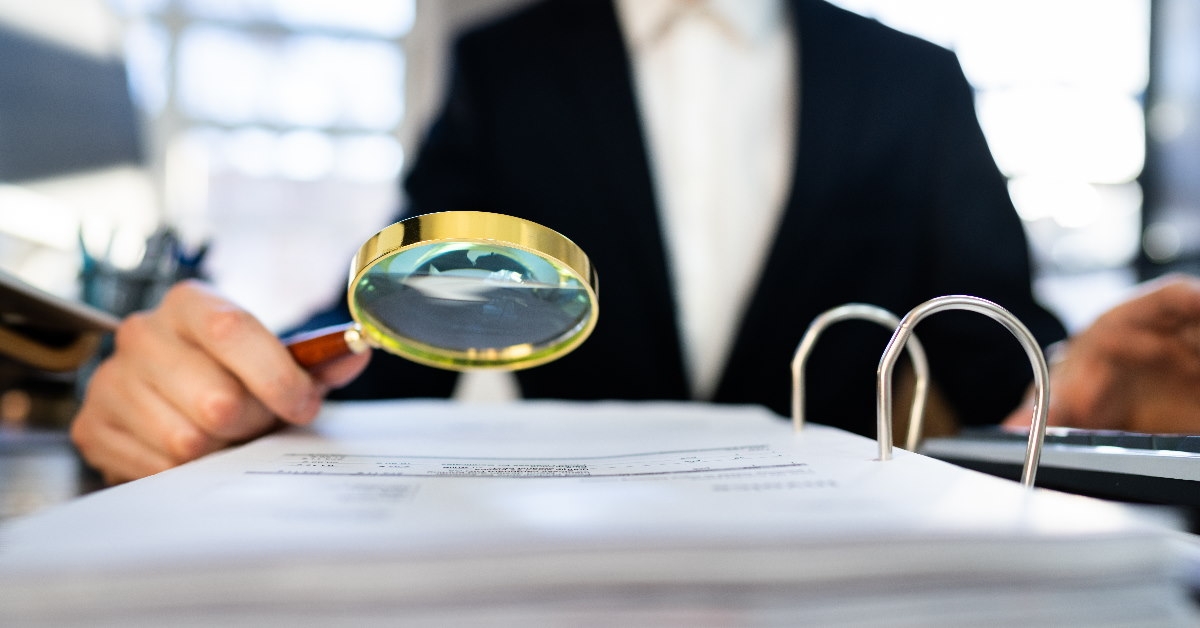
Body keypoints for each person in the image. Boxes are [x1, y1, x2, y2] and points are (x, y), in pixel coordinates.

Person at [69, 0, 1200, 484]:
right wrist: (218, 387)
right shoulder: (505, 69)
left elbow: (996, 351)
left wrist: (1091, 395)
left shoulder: (911, 80)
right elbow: (397, 329)